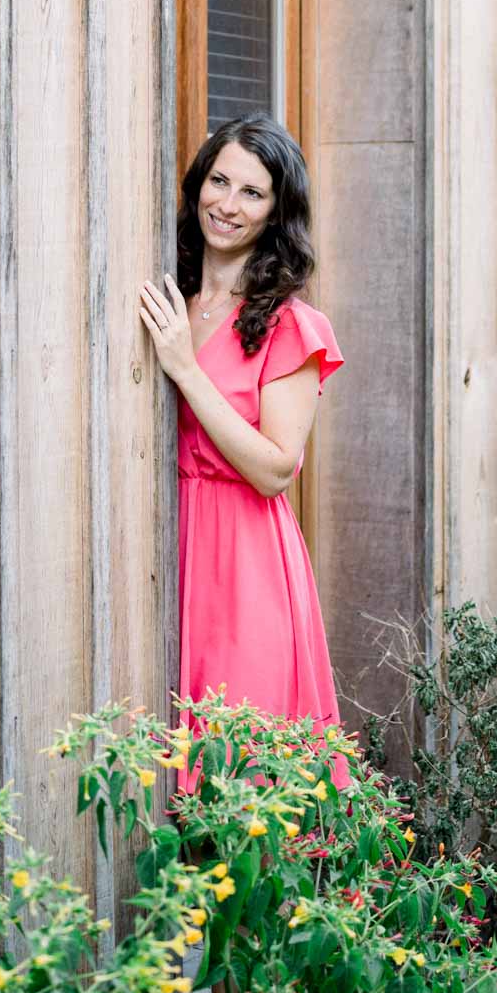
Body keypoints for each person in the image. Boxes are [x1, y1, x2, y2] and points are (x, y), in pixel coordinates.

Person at [138, 112, 346, 758]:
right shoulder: (166, 297)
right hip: (160, 543)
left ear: (277, 212)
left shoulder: (290, 324)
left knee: (240, 750)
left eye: (251, 193)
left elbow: (275, 468)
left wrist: (183, 367)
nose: (226, 205)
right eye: (218, 181)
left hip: (242, 555)